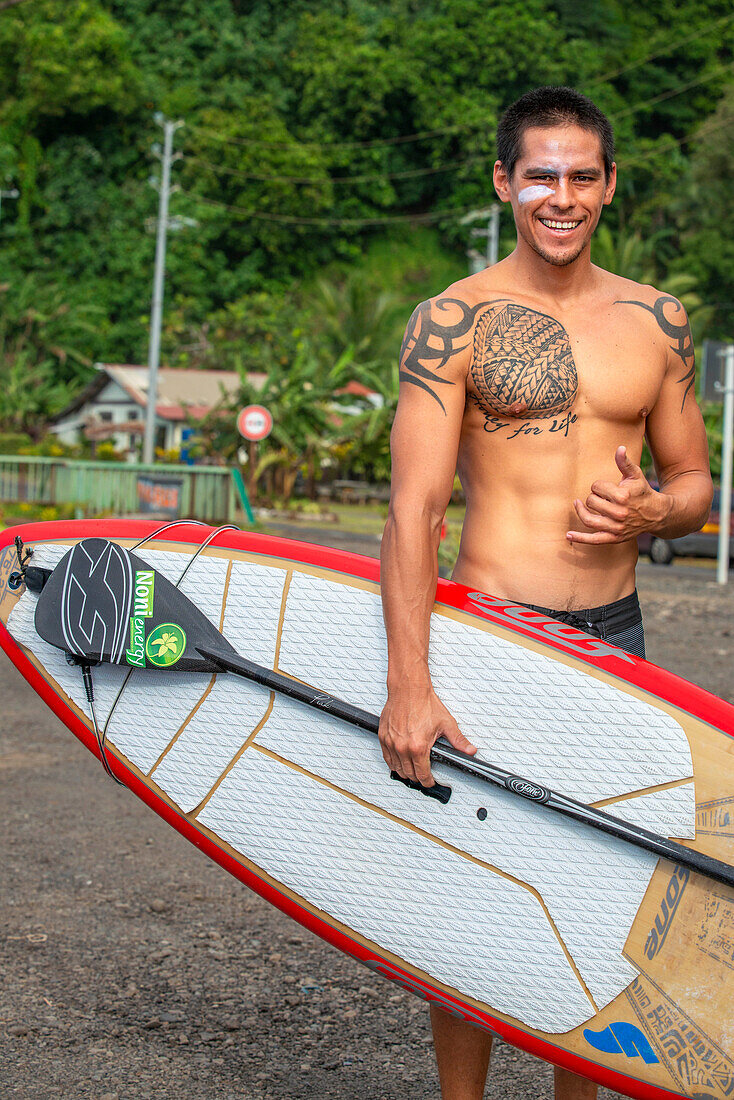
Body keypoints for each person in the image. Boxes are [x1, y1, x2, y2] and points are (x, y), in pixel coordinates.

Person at [378, 85, 713, 1100]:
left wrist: (654, 514)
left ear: (607, 183)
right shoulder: (451, 321)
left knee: (604, 890)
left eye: (579, 176)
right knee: (466, 895)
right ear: (502, 182)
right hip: (491, 632)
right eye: (538, 176)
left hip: (613, 633)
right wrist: (408, 682)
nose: (558, 197)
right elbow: (412, 508)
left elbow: (694, 483)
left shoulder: (657, 322)